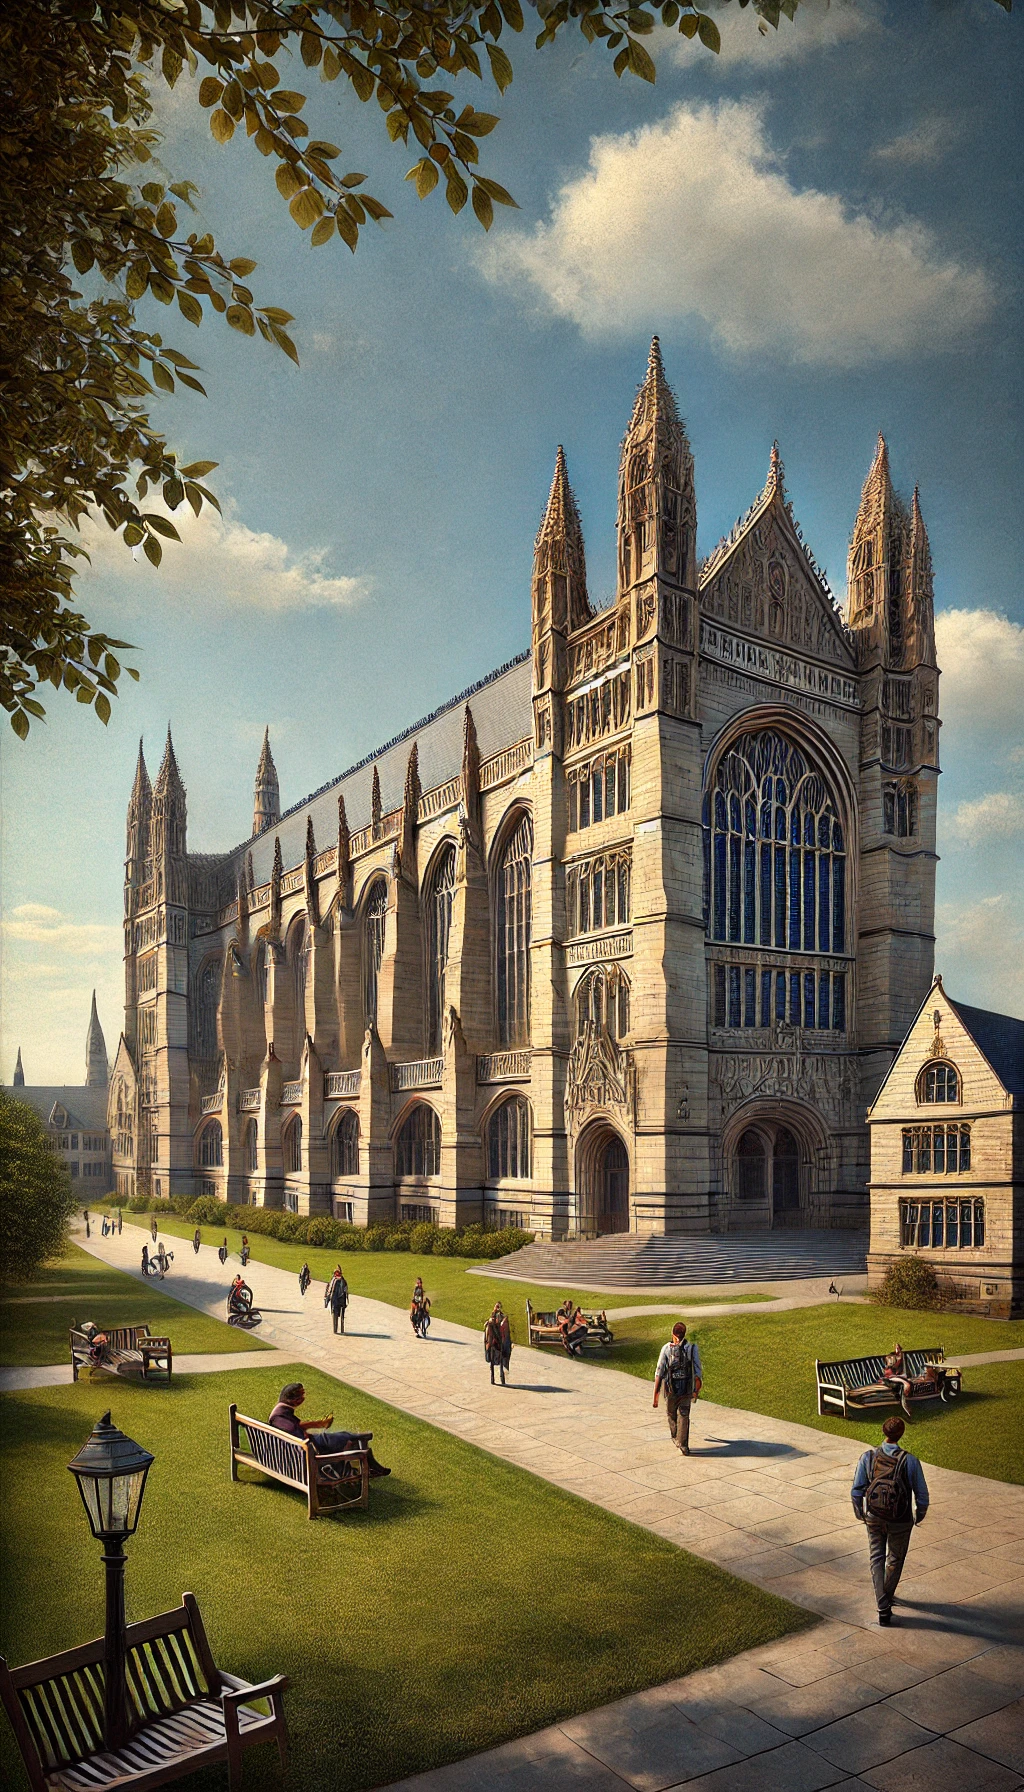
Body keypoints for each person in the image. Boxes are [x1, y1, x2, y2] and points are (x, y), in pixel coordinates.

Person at [851, 1416, 929, 1625]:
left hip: (874, 1518)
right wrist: (918, 1515)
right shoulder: (910, 1460)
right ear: (901, 1434)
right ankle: (885, 1599)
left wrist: (861, 1513)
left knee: (876, 1558)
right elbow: (922, 1494)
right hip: (901, 1520)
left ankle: (882, 1603)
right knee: (895, 1559)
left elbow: (856, 1490)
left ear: (883, 1432)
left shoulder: (867, 1457)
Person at [269, 1383, 390, 1477]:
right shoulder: (279, 1415)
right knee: (345, 1438)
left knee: (345, 1438)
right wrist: (311, 1432)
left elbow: (296, 1427)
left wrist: (319, 1424)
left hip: (305, 1446)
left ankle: (366, 1456)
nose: (303, 1399)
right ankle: (359, 1441)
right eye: (301, 1396)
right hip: (309, 1448)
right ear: (293, 1399)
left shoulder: (281, 1411)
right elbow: (295, 1432)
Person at [653, 1322, 703, 1454]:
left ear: (673, 1334)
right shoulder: (692, 1348)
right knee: (684, 1415)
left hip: (670, 1390)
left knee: (671, 1414)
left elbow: (659, 1373)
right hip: (686, 1389)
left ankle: (676, 1437)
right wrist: (696, 1391)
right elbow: (698, 1373)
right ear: (684, 1334)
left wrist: (656, 1397)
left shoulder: (666, 1349)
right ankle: (684, 1445)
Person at [883, 1344, 914, 1419]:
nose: (895, 1362)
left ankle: (905, 1406)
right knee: (900, 1386)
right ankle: (904, 1408)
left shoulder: (896, 1364)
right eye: (892, 1362)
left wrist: (898, 1350)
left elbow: (899, 1357)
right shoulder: (889, 1369)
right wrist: (905, 1382)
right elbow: (892, 1378)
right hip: (890, 1381)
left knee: (906, 1384)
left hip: (896, 1380)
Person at [483, 1304, 512, 1385]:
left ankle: (502, 1377)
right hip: (493, 1342)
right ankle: (493, 1378)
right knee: (492, 1361)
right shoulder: (492, 1318)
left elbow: (505, 1329)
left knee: (502, 1359)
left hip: (500, 1341)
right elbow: (488, 1328)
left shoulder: (502, 1317)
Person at [330, 1268, 349, 1334]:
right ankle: (337, 1329)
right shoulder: (335, 1281)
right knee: (337, 1315)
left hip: (339, 1301)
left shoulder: (340, 1281)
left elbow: (345, 1291)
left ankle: (340, 1329)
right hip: (337, 1301)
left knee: (340, 1315)